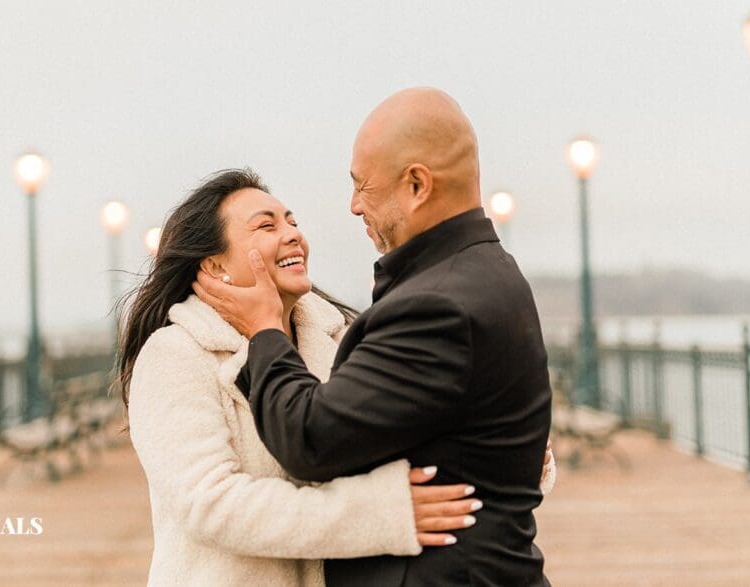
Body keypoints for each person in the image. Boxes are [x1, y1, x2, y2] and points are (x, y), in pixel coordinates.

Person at [194, 88, 554, 586]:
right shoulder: (485, 273)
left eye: (363, 185)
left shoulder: (435, 304)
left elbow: (311, 439)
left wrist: (265, 330)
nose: (353, 206)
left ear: (416, 185)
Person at [120, 169, 486, 587]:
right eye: (266, 225)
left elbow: (408, 432)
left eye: (292, 221)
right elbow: (211, 504)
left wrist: (501, 444)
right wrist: (380, 515)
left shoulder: (342, 335)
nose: (293, 234)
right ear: (215, 264)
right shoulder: (176, 355)